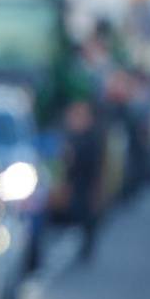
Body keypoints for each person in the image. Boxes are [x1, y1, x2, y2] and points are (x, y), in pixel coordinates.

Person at [62, 99, 104, 260]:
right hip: (77, 181)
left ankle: (87, 245)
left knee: (87, 213)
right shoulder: (73, 136)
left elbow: (94, 163)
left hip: (86, 181)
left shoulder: (91, 137)